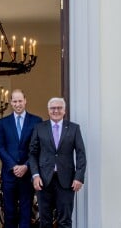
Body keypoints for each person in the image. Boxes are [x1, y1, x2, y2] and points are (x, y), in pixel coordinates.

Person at [29, 97, 87, 228]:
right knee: (45, 220)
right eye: (53, 108)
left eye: (59, 108)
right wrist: (35, 175)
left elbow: (81, 154)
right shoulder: (39, 128)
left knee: (65, 221)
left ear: (64, 110)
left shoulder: (74, 128)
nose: (56, 110)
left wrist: (79, 177)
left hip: (67, 181)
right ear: (48, 111)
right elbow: (32, 154)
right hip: (43, 180)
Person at [0, 89, 42, 228]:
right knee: (9, 213)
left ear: (25, 100)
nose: (17, 104)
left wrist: (26, 166)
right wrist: (13, 166)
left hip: (28, 173)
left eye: (20, 101)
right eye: (14, 101)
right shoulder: (3, 122)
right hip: (9, 174)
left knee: (26, 212)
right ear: (11, 102)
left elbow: (38, 147)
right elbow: (0, 146)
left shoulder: (36, 121)